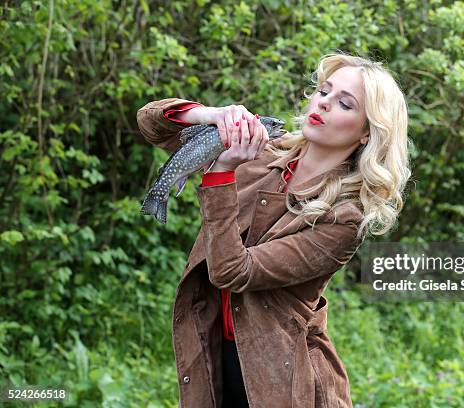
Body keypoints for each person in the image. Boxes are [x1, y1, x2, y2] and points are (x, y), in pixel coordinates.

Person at [136, 52, 410, 408]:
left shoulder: (345, 217)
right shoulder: (259, 150)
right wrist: (212, 115)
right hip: (214, 352)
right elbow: (151, 122)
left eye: (344, 103)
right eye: (324, 91)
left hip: (283, 379)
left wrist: (220, 175)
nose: (325, 103)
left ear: (366, 133)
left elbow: (232, 271)